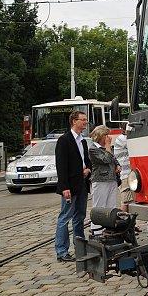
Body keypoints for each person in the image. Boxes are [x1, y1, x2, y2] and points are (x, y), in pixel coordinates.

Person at [54, 110, 91, 262]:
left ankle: (80, 247)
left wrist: (88, 169)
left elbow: (86, 160)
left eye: (86, 120)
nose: (85, 122)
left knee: (80, 217)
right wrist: (64, 187)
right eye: (83, 120)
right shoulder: (64, 140)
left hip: (82, 184)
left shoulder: (83, 141)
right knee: (65, 217)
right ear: (74, 121)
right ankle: (62, 251)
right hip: (70, 185)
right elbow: (61, 166)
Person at [88, 126, 121, 237]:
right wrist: (107, 147)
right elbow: (106, 159)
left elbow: (113, 159)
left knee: (111, 205)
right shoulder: (93, 149)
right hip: (100, 180)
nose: (108, 138)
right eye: (106, 135)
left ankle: (109, 227)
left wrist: (117, 165)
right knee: (99, 206)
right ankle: (96, 230)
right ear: (100, 136)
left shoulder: (106, 148)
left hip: (112, 179)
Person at [112, 133, 134, 211]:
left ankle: (129, 221)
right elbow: (133, 146)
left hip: (129, 174)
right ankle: (124, 220)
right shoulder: (122, 138)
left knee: (129, 199)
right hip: (125, 174)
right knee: (126, 200)